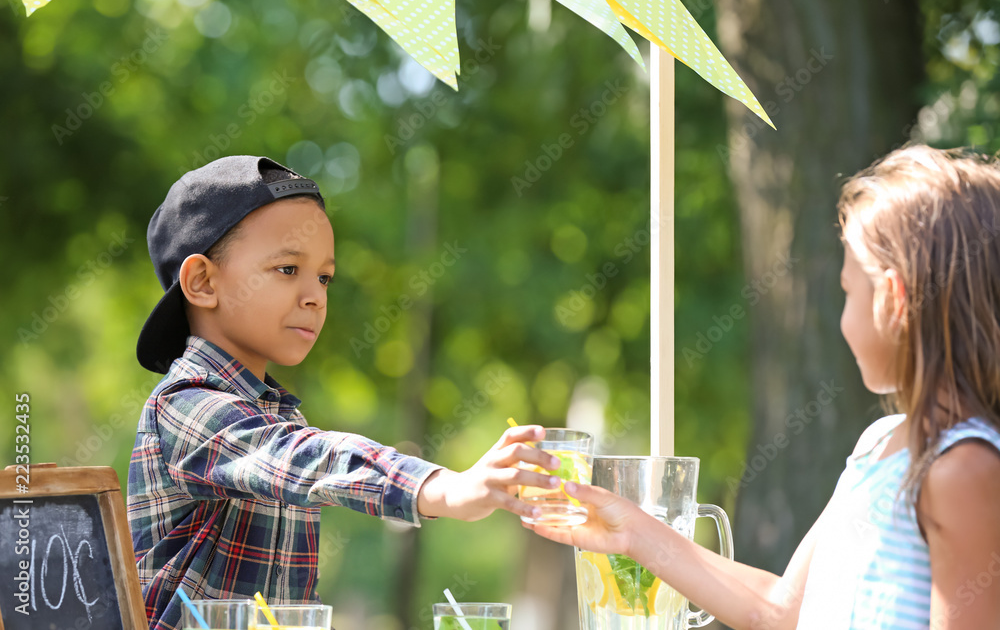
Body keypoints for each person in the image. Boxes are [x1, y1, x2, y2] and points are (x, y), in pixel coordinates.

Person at [526, 144, 1000, 628]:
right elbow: (780, 608)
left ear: (893, 301)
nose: (841, 320)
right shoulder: (878, 445)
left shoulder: (963, 470)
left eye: (847, 292)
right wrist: (631, 533)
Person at [127, 156, 562, 630]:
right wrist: (443, 488)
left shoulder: (274, 413)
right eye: (289, 269)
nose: (315, 295)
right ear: (203, 282)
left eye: (324, 277)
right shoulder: (186, 405)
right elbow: (313, 458)